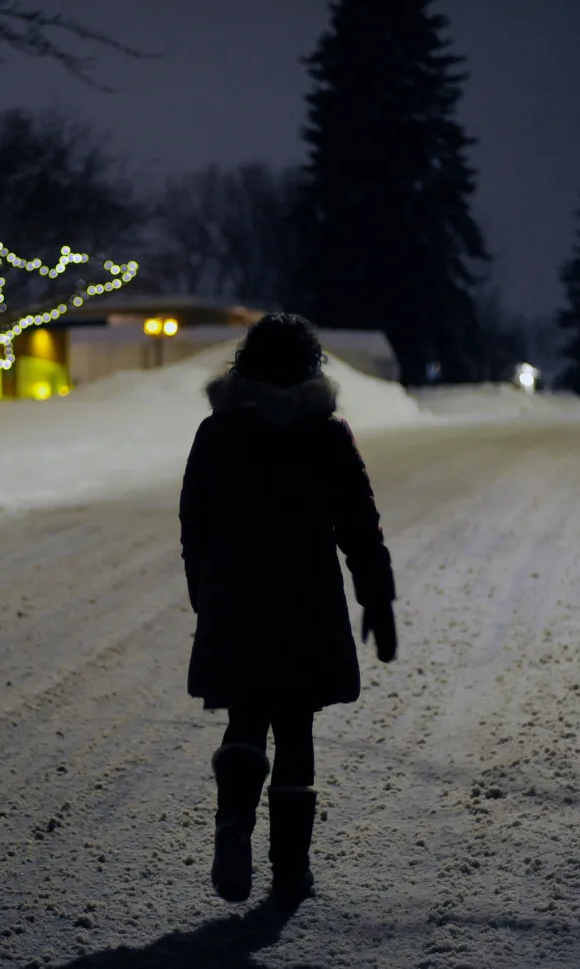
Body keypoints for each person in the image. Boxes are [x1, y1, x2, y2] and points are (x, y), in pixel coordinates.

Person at [179, 312, 397, 907]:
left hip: (236, 596)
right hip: (306, 601)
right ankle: (290, 868)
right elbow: (360, 525)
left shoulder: (216, 432)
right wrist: (376, 596)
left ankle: (232, 826)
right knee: (295, 729)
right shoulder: (326, 436)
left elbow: (193, 520)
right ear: (310, 366)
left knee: (246, 716)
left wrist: (207, 593)